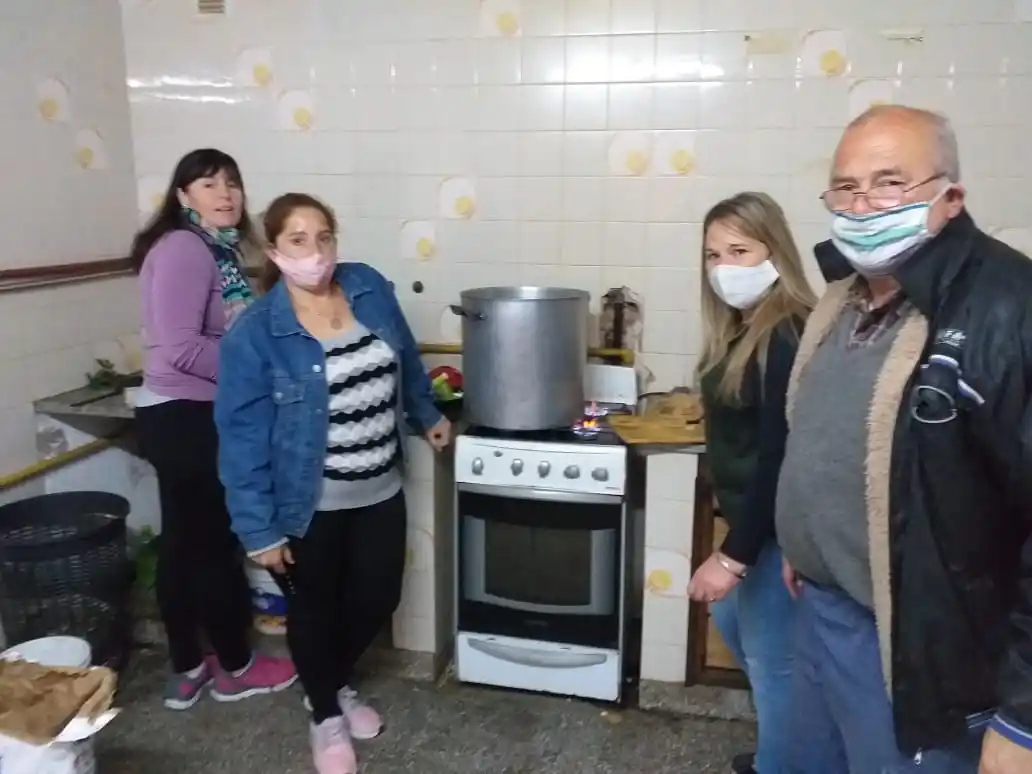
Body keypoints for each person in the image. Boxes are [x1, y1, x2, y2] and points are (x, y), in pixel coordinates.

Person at [776, 104, 1032, 774]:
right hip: (821, 607)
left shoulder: (1008, 307)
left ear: (951, 197)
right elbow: (830, 433)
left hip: (921, 647)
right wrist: (806, 537)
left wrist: (1023, 715)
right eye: (846, 187)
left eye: (890, 182)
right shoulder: (845, 293)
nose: (863, 206)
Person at [214, 193, 451, 774]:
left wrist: (428, 414)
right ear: (273, 250)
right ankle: (324, 712)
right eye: (297, 240)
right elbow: (240, 439)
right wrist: (259, 531)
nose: (315, 252)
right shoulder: (257, 334)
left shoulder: (367, 286)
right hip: (308, 503)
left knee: (377, 596)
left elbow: (406, 362)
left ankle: (332, 679)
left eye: (324, 237)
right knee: (314, 610)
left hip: (380, 488)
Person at [131, 148, 297, 710]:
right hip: (187, 416)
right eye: (207, 184)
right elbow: (179, 349)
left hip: (177, 413)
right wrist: (256, 366)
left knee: (182, 545)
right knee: (213, 546)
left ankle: (187, 668)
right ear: (183, 197)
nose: (224, 193)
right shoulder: (185, 248)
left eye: (232, 183)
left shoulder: (216, 252)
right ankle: (235, 667)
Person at [686, 192, 816, 774]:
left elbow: (780, 454)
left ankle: (782, 763)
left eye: (740, 250)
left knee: (774, 664)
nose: (724, 267)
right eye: (714, 254)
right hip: (755, 524)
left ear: (774, 252)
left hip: (776, 530)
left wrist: (733, 557)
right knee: (738, 627)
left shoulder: (786, 331)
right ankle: (791, 750)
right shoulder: (742, 328)